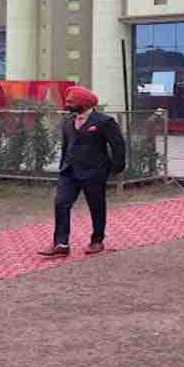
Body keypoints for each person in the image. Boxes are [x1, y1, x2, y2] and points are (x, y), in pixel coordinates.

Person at [39, 86, 126, 258]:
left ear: (83, 103)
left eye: (71, 101)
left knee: (96, 207)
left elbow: (118, 146)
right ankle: (61, 244)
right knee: (61, 203)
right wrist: (63, 165)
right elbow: (66, 146)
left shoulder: (104, 121)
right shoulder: (68, 121)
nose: (67, 104)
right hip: (69, 172)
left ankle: (97, 240)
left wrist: (116, 168)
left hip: (94, 172)